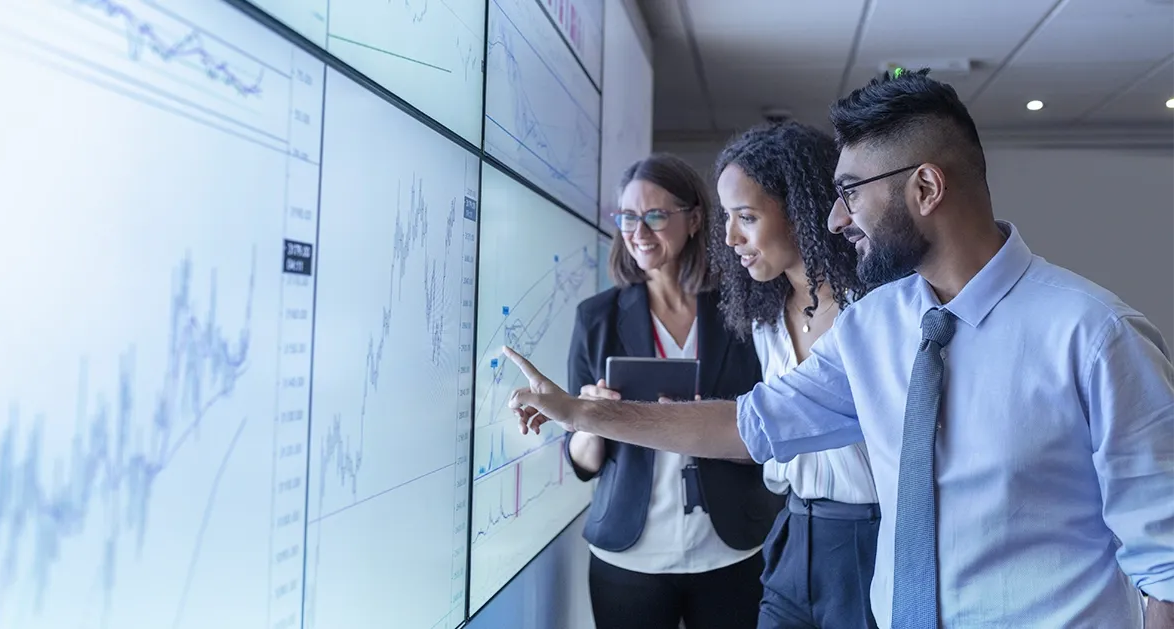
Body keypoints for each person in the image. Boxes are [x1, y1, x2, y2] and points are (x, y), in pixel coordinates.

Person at [503, 68, 1174, 629]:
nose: (833, 218)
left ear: (926, 187)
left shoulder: (1094, 335)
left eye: (851, 191)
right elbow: (751, 422)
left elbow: (1166, 562)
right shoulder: (874, 326)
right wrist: (583, 413)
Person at [563, 153, 778, 629]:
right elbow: (580, 462)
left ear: (695, 219)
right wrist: (593, 418)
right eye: (627, 217)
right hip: (630, 556)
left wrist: (713, 425)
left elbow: (769, 432)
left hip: (729, 548)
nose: (638, 231)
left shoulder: (740, 312)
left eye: (656, 216)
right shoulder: (595, 319)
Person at [710, 121, 880, 628]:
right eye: (726, 217)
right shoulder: (767, 317)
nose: (730, 237)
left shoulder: (872, 309)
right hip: (793, 530)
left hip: (870, 537)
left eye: (746, 216)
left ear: (801, 209)